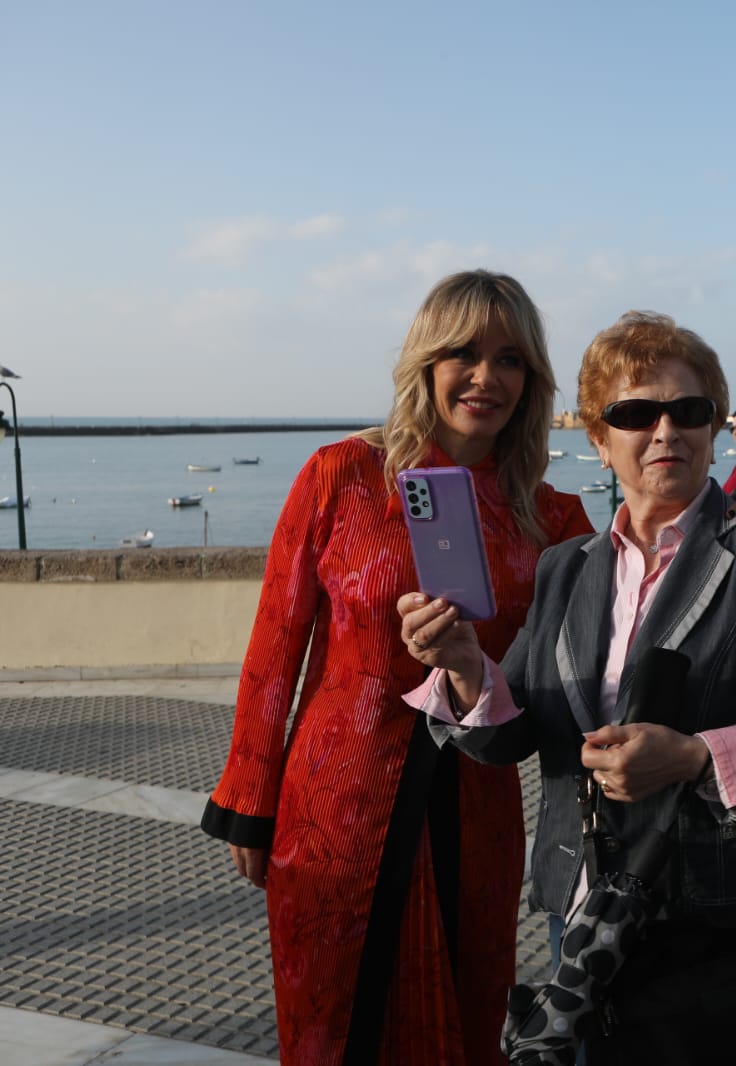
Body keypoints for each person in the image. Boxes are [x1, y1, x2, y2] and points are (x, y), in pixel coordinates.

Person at [397, 310, 736, 1065]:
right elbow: (514, 732)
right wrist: (463, 666)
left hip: (709, 926)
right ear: (596, 436)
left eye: (689, 410)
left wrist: (690, 758)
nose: (665, 432)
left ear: (714, 426)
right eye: (635, 413)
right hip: (581, 915)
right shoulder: (567, 567)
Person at [202, 271, 596, 1065]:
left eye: (510, 358)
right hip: (333, 808)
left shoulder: (554, 519)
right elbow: (276, 642)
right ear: (424, 361)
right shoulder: (340, 477)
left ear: (533, 381)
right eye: (462, 352)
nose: (485, 376)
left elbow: (568, 678)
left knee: (468, 1012)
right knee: (330, 1024)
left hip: (475, 810)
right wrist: (248, 798)